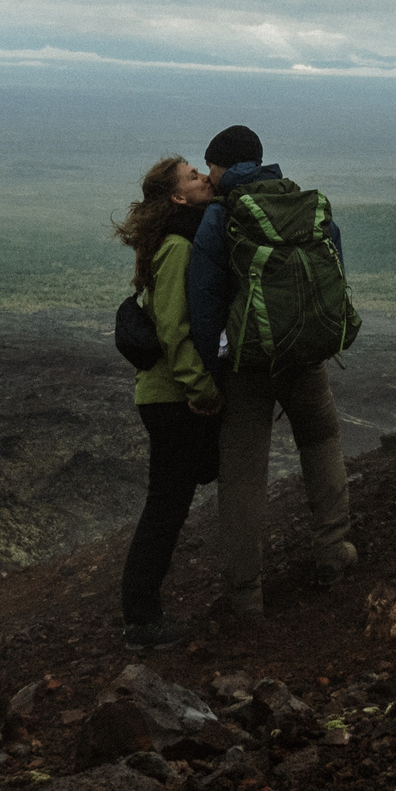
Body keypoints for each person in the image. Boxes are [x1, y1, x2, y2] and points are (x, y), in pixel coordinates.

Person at [187, 124, 355, 620]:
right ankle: (333, 553)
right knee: (321, 442)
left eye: (210, 167)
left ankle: (246, 593)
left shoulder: (222, 216)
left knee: (242, 474)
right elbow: (335, 272)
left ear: (222, 165)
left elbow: (204, 300)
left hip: (246, 365)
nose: (210, 177)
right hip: (305, 355)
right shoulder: (304, 205)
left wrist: (209, 370)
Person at [111, 154, 223, 650]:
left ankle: (141, 613)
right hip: (171, 396)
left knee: (170, 500)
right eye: (193, 177)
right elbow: (175, 330)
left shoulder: (175, 238)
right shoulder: (178, 245)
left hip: (163, 396)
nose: (203, 178)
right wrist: (201, 392)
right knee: (165, 507)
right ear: (178, 196)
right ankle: (141, 620)